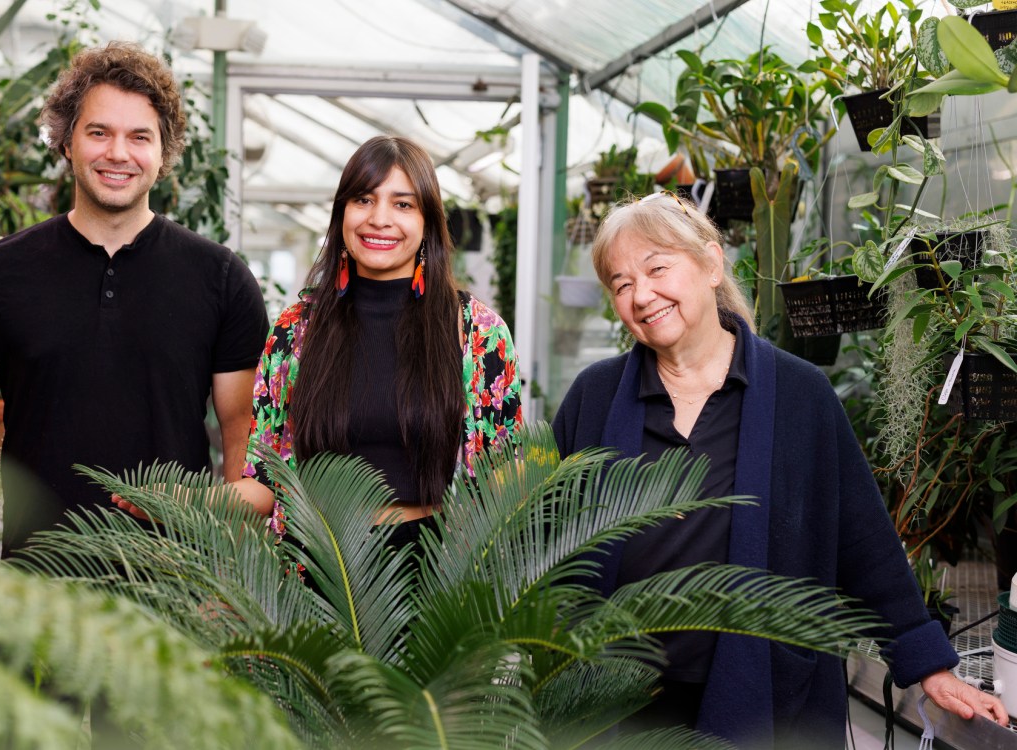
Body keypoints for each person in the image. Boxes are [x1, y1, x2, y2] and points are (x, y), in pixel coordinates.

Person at [0, 42, 268, 647]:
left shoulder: (220, 279)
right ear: (66, 140)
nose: (118, 153)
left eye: (139, 137)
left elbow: (241, 436)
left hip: (174, 602)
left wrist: (235, 587)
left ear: (164, 153)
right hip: (30, 593)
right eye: (99, 132)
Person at [551, 191, 1007, 747]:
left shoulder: (799, 394)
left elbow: (863, 540)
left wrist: (928, 663)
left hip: (767, 696)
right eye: (621, 285)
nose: (642, 295)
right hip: (614, 706)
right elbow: (545, 539)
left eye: (657, 269)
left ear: (711, 264)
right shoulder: (594, 397)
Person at [236, 135, 522, 545]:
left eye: (402, 204)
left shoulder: (478, 332)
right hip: (320, 566)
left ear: (427, 223)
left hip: (441, 571)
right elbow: (263, 480)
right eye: (363, 200)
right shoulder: (295, 330)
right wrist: (185, 502)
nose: (379, 218)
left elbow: (506, 480)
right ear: (342, 214)